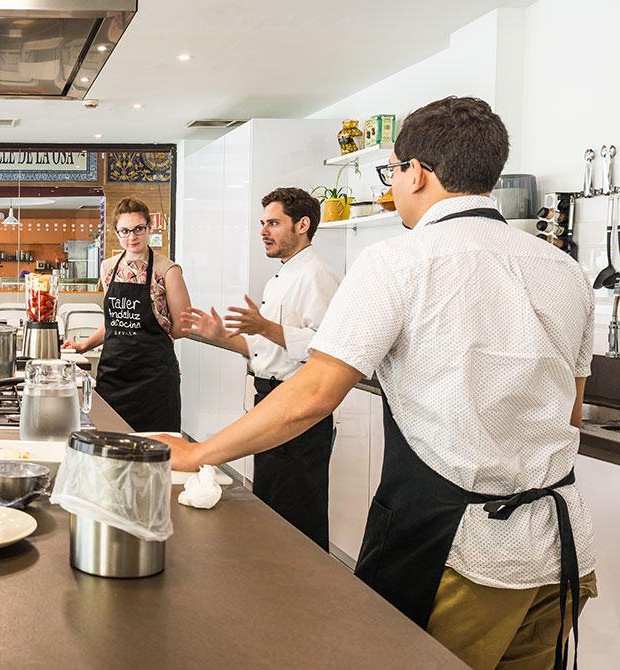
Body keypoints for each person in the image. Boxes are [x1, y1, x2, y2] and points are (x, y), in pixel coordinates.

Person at [157, 97, 597, 669]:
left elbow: (313, 394)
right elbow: (572, 412)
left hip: (460, 555)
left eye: (392, 171)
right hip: (561, 555)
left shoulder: (399, 262)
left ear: (416, 171)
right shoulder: (563, 269)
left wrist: (197, 453)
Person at [181, 187, 339, 549]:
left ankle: (307, 594)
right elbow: (262, 351)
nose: (264, 232)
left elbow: (327, 349)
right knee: (272, 507)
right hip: (270, 399)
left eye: (273, 223)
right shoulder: (281, 277)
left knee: (299, 513)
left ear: (303, 224)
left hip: (299, 405)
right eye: (262, 224)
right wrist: (221, 336)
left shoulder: (317, 275)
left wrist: (265, 327)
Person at [64, 198, 191, 431]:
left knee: (156, 450)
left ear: (149, 228)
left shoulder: (168, 270)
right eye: (124, 231)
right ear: (116, 232)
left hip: (153, 379)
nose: (132, 237)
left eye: (138, 229)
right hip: (114, 375)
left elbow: (183, 326)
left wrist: (154, 338)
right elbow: (112, 322)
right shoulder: (109, 268)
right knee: (110, 447)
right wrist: (84, 346)